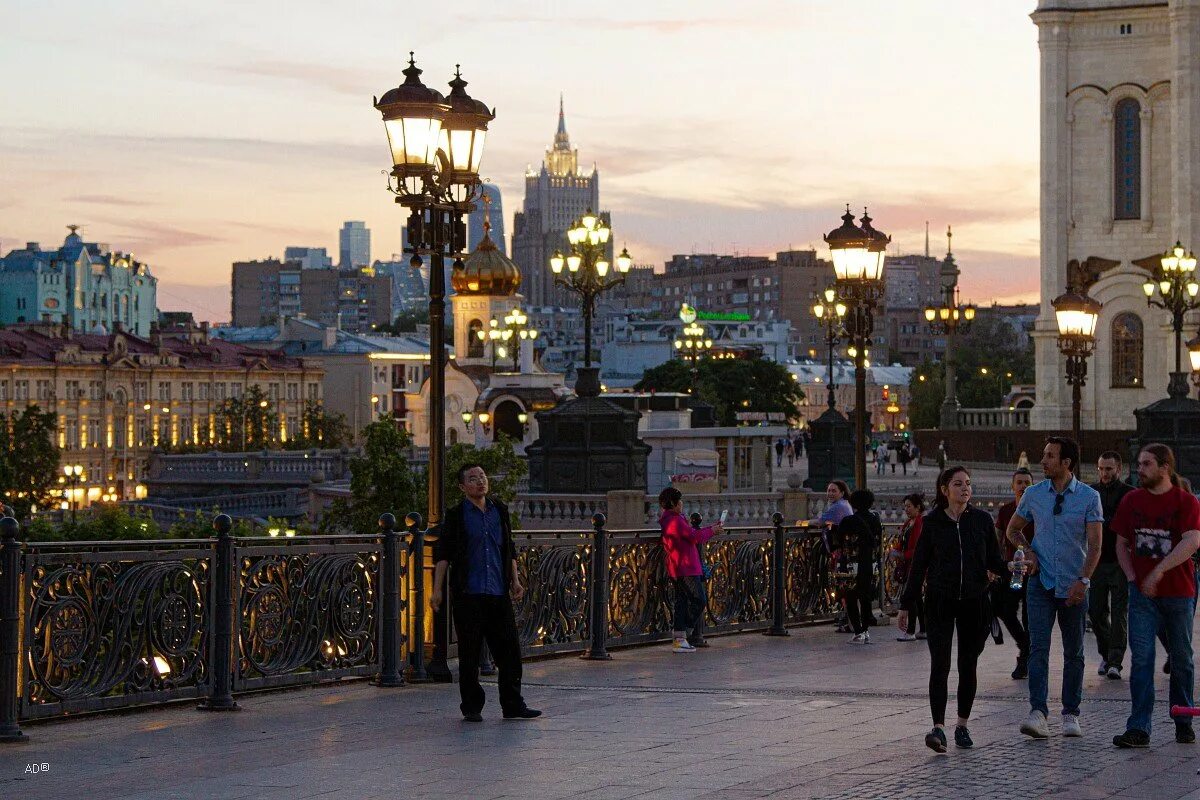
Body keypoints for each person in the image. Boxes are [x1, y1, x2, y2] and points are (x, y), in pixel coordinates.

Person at [899, 466, 1006, 752]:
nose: (965, 489)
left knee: (967, 664)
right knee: (941, 663)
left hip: (974, 600)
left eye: (968, 484)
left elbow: (995, 561)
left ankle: (962, 725)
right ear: (945, 490)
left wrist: (1008, 569)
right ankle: (938, 728)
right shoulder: (932, 522)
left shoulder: (982, 521)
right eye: (958, 484)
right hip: (940, 601)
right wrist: (906, 605)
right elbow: (918, 566)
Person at [1005, 437, 1102, 739]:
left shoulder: (1088, 496)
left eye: (1049, 456)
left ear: (1066, 463)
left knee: (1074, 651)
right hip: (1041, 582)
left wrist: (1083, 580)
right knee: (1039, 648)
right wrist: (1028, 551)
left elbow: (1096, 545)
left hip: (1073, 584)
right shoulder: (1034, 494)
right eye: (1043, 454)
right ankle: (1038, 712)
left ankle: (1071, 713)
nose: (1043, 461)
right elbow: (1013, 529)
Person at [431, 463, 540, 722]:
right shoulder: (457, 515)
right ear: (462, 487)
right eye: (472, 479)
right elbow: (443, 555)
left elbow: (508, 548)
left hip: (498, 591)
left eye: (482, 477)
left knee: (510, 652)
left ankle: (513, 704)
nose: (479, 482)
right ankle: (471, 706)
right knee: (470, 654)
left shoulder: (499, 510)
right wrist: (437, 590)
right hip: (469, 593)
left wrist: (515, 580)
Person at [1110, 444, 1200, 748]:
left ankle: (1183, 719)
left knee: (1182, 658)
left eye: (1147, 464)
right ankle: (1139, 727)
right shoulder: (1131, 501)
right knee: (1143, 658)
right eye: (1139, 463)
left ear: (1165, 468)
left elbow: (1191, 541)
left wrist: (1159, 570)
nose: (1140, 469)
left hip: (1178, 592)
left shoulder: (1185, 501)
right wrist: (1134, 578)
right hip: (1142, 595)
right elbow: (1121, 543)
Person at [1089, 450, 1136, 681]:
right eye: (1101, 469)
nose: (1104, 473)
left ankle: (1115, 660)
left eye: (1108, 469)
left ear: (1119, 469)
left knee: (1119, 613)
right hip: (1096, 561)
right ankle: (1106, 654)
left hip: (1119, 561)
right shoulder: (1091, 492)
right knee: (1095, 610)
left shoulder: (1130, 494)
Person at [658, 487, 723, 653]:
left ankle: (680, 639)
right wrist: (712, 531)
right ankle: (682, 636)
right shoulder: (674, 521)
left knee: (682, 602)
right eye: (679, 501)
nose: (681, 504)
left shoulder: (673, 519)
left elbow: (692, 533)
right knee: (699, 600)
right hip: (685, 567)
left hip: (679, 567)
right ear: (672, 503)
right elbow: (694, 536)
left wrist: (712, 528)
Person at [995, 468, 1035, 680]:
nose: (1023, 486)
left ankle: (1025, 659)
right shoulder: (1006, 511)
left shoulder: (1038, 510)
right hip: (1015, 573)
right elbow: (997, 541)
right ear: (1013, 486)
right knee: (1006, 610)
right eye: (1019, 482)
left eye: (1027, 482)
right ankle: (1025, 646)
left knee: (1030, 617)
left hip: (1034, 573)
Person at [837, 489, 883, 644]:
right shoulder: (875, 519)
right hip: (870, 564)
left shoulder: (849, 521)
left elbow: (838, 541)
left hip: (852, 565)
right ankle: (865, 630)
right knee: (865, 597)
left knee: (851, 597)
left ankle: (858, 631)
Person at [894, 493, 927, 641]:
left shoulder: (920, 522)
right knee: (918, 598)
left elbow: (919, 548)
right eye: (905, 506)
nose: (906, 509)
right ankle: (924, 629)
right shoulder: (909, 522)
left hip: (915, 566)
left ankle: (911, 630)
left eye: (909, 506)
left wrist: (902, 555)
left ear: (917, 507)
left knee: (912, 596)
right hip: (908, 564)